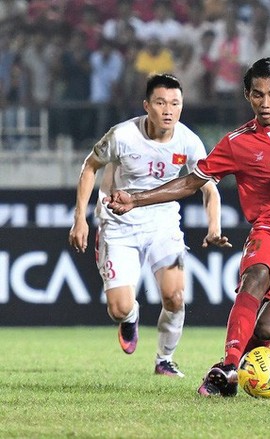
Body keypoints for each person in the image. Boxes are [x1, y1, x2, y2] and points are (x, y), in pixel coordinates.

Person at [104, 57, 270, 397]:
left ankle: (235, 368)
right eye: (258, 95)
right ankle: (228, 365)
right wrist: (136, 198)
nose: (266, 103)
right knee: (254, 277)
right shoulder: (237, 143)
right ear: (247, 95)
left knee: (265, 328)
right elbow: (192, 182)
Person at [68, 73, 227, 378]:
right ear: (147, 105)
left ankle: (165, 359)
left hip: (162, 225)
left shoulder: (189, 141)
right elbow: (90, 166)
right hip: (119, 224)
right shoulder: (123, 136)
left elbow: (208, 188)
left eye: (175, 103)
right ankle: (130, 317)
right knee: (118, 308)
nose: (168, 110)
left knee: (175, 297)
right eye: (160, 102)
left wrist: (214, 227)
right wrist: (80, 219)